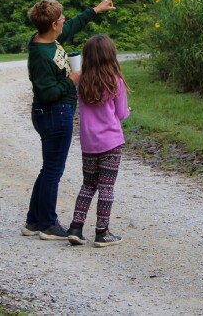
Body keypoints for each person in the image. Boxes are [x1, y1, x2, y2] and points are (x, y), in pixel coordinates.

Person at [23, 0, 116, 241]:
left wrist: (95, 10)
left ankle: (34, 221)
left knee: (48, 169)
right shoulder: (41, 54)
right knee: (54, 170)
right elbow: (47, 93)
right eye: (61, 18)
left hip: (57, 113)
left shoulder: (50, 41)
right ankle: (47, 224)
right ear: (54, 24)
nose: (65, 20)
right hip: (54, 113)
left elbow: (74, 25)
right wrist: (72, 80)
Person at [67, 34, 130, 248]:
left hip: (89, 143)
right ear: (110, 56)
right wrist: (128, 111)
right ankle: (102, 232)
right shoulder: (115, 81)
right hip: (111, 142)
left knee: (88, 184)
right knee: (106, 187)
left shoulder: (82, 81)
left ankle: (75, 228)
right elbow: (121, 114)